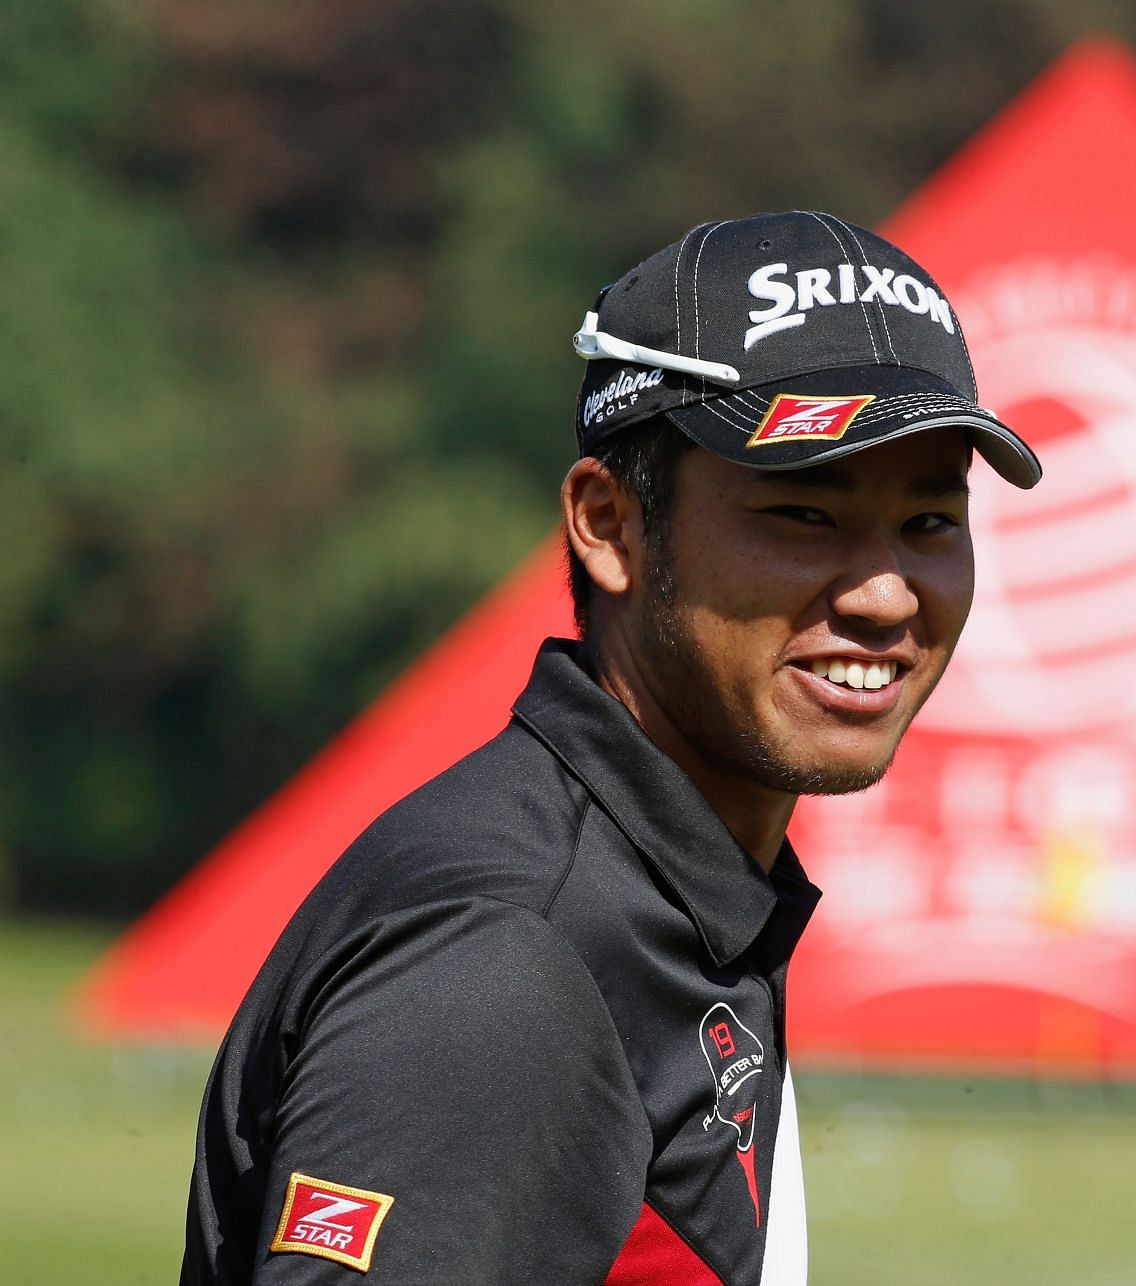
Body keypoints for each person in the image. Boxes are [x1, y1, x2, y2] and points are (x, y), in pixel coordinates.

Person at [181, 210, 1041, 1285]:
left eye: (929, 523)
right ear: (609, 524)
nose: (883, 592)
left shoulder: (673, 891)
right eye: (802, 514)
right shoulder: (509, 957)